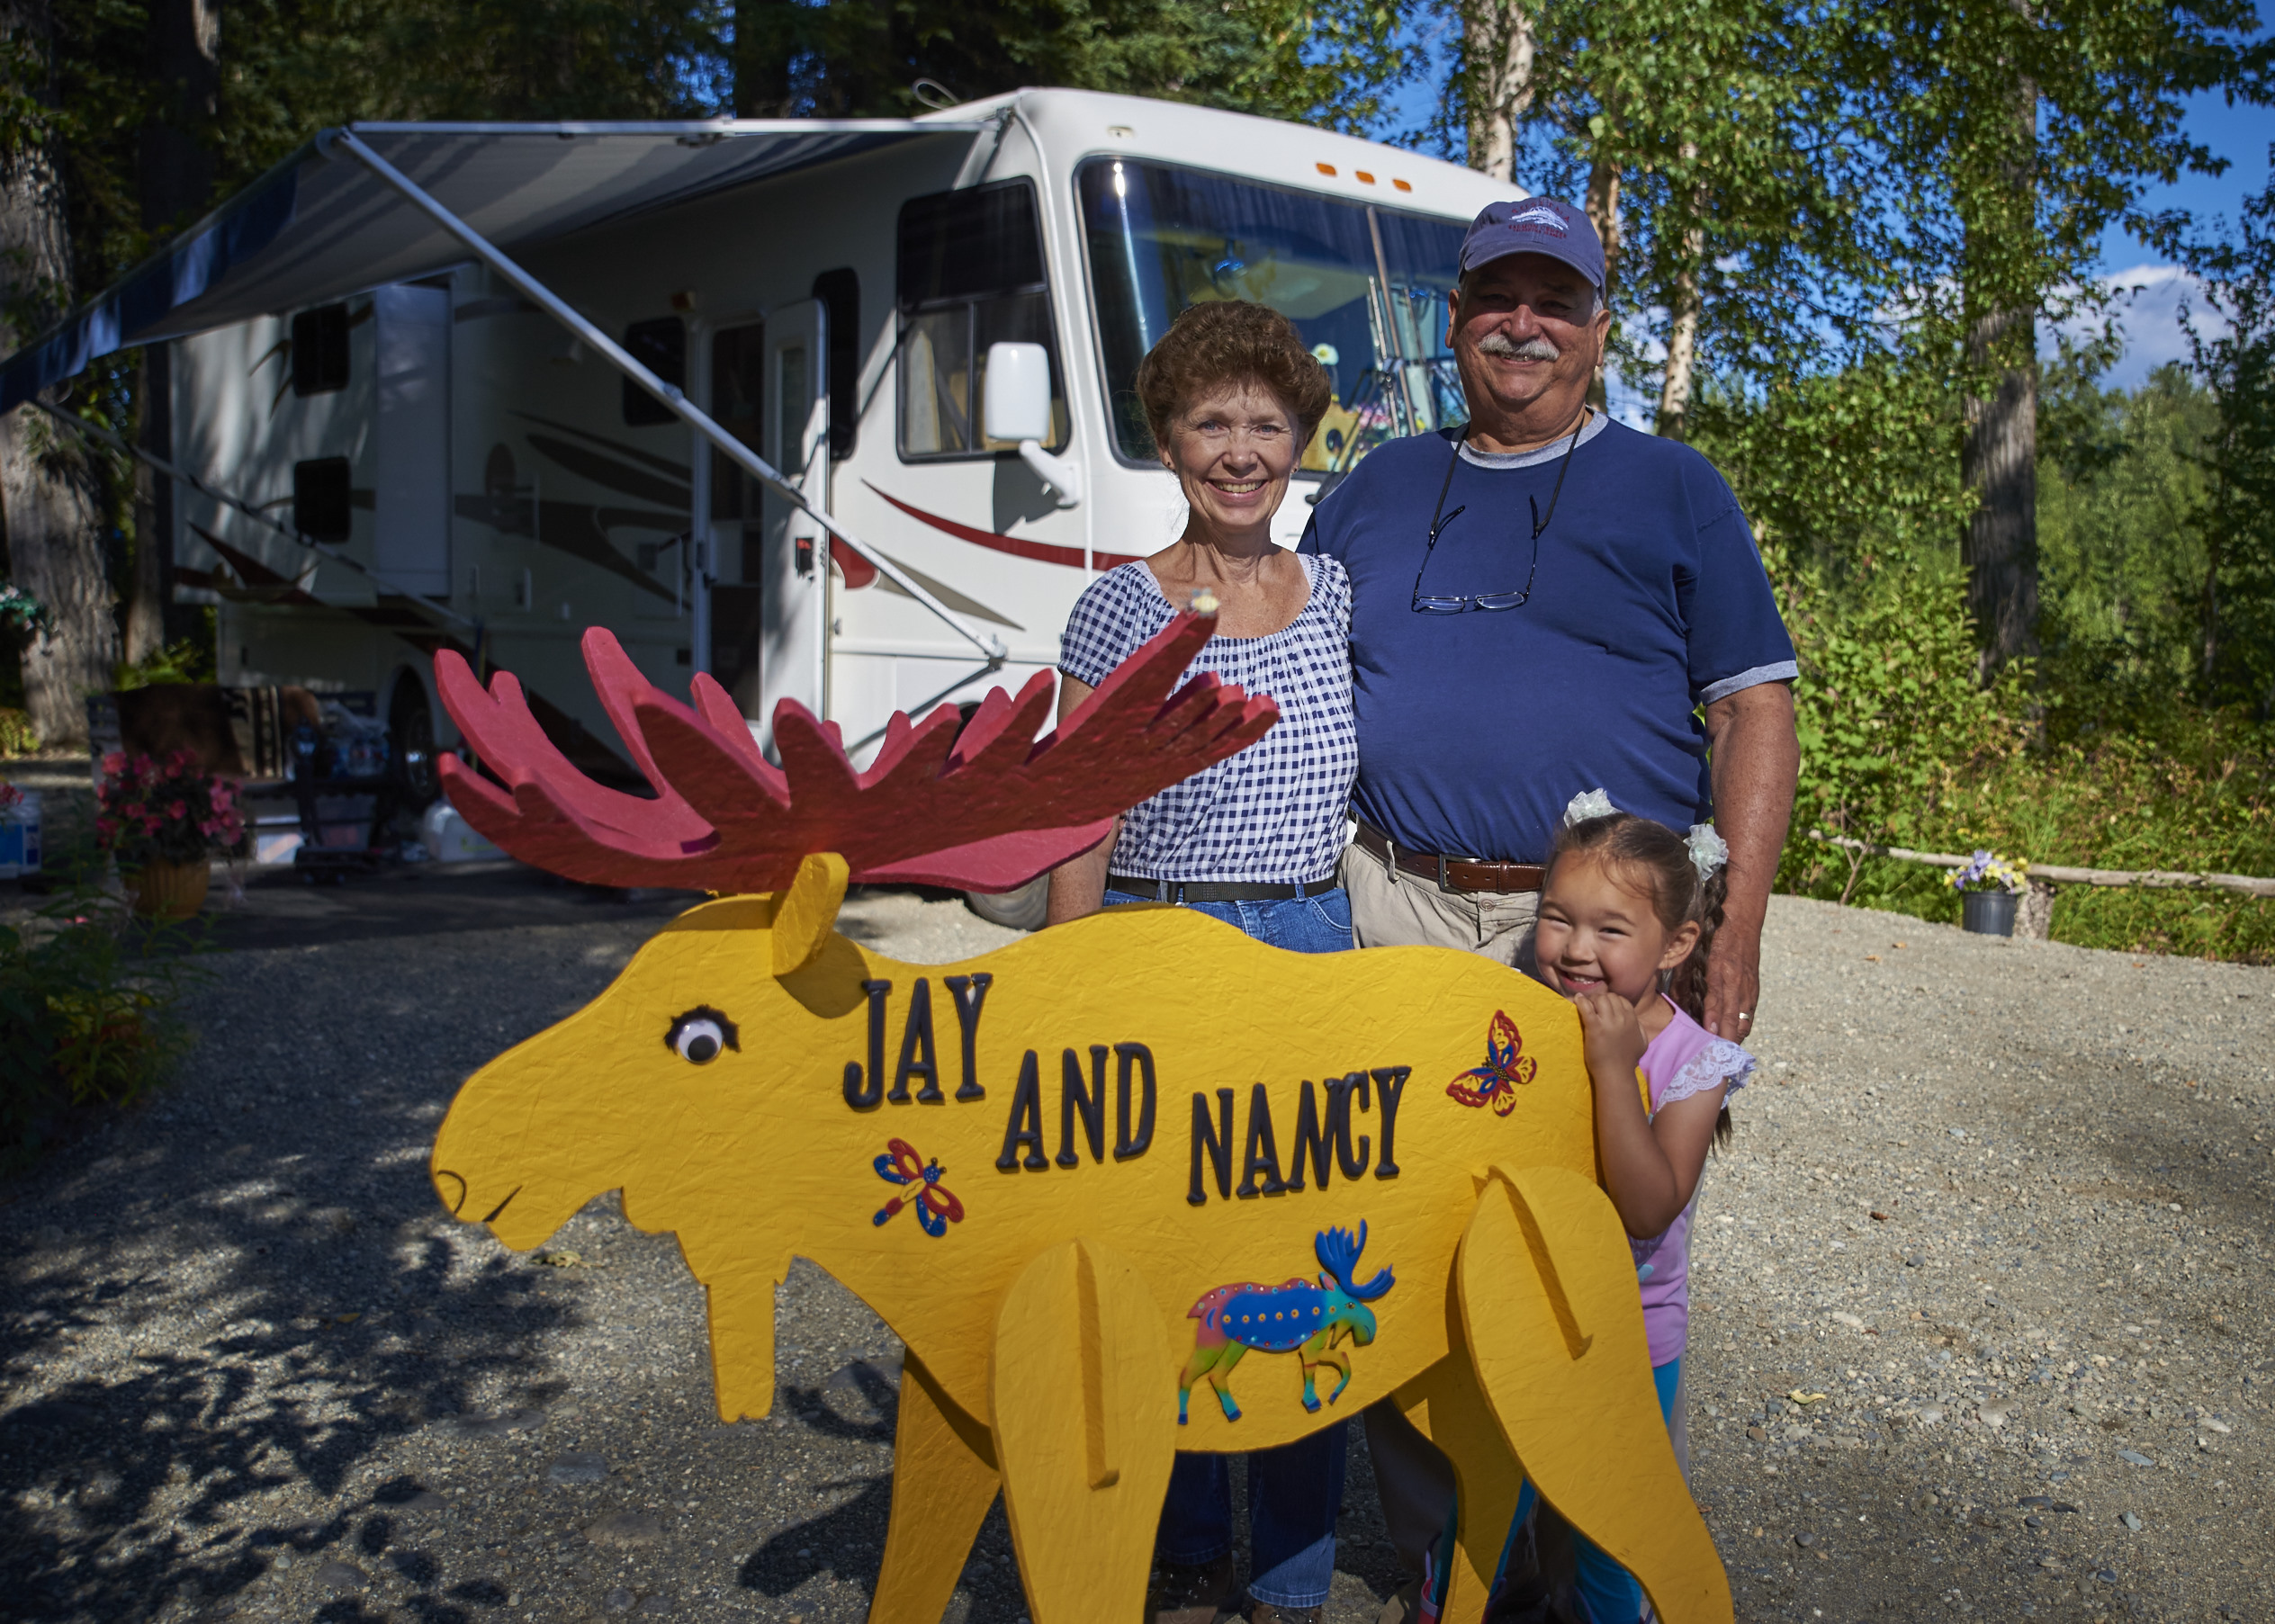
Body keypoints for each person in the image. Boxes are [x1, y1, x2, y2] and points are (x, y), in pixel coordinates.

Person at [1297, 194, 1799, 1611]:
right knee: (1404, 1242)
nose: (1524, 322)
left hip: (1595, 945)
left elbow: (1753, 707)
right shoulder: (1378, 484)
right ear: (1452, 320)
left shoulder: (1673, 484)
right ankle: (1448, 1565)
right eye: (1496, 296)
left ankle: (1595, 1557)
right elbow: (1272, 641)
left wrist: (1735, 924)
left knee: (1588, 1254)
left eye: (1555, 299)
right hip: (1388, 902)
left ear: (1596, 326)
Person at [1047, 298, 1354, 1624]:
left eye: (1267, 423)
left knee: (1300, 1258)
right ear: (1167, 440)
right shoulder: (1113, 612)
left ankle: (1292, 1573)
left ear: (1300, 444)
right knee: (1163, 1263)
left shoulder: (1336, 593)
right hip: (1153, 939)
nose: (1241, 449)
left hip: (1306, 941)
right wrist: (1060, 991)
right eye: (1211, 420)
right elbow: (1073, 811)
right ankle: (1176, 1553)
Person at [1416, 795, 1754, 1622]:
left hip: (1630, 1340)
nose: (1573, 950)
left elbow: (1647, 1209)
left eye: (1610, 930)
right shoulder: (1515, 1022)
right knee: (1482, 1524)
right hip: (1510, 1323)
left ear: (1676, 944)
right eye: (1558, 919)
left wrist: (1611, 1068)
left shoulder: (1692, 1060)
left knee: (1613, 1540)